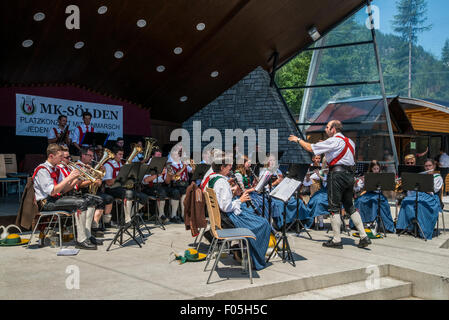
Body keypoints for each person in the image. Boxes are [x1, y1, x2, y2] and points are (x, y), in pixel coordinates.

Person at [289, 120, 372, 249]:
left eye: (327, 127)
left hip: (337, 175)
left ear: (333, 129)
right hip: (350, 175)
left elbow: (310, 148)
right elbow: (338, 153)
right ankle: (363, 236)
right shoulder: (350, 142)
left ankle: (336, 240)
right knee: (350, 206)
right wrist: (324, 146)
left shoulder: (333, 141)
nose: (325, 129)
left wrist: (298, 139)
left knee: (333, 207)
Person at [200, 151, 271, 270]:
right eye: (229, 166)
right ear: (222, 167)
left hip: (222, 216)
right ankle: (253, 259)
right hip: (227, 219)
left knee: (252, 215)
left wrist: (232, 192)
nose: (231, 168)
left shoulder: (213, 178)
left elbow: (221, 200)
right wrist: (241, 199)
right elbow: (226, 206)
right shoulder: (221, 182)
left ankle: (242, 250)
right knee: (263, 224)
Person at [33, 144, 97, 250]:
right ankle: (81, 240)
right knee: (80, 203)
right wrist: (69, 177)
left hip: (55, 199)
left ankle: (87, 235)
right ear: (51, 156)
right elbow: (53, 191)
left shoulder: (55, 169)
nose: (62, 159)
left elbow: (63, 190)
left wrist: (76, 178)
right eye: (60, 156)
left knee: (90, 200)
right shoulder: (42, 170)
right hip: (46, 203)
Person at [396, 159, 443, 240]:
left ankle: (423, 230)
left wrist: (421, 183)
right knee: (406, 201)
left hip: (430, 198)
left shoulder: (438, 177)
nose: (428, 168)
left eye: (430, 166)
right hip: (418, 195)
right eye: (426, 166)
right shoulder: (421, 176)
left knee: (421, 204)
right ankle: (408, 227)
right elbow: (411, 191)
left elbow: (432, 190)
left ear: (434, 166)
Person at [351, 160, 395, 233]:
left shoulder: (382, 176)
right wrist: (356, 183)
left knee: (375, 201)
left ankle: (376, 224)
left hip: (378, 195)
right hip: (368, 194)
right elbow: (357, 189)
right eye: (374, 169)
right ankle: (359, 224)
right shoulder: (366, 176)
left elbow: (388, 188)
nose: (376, 170)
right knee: (359, 201)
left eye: (377, 168)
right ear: (371, 169)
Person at [164, 144, 192, 223]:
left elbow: (191, 171)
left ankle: (183, 215)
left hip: (184, 184)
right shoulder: (169, 164)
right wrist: (183, 168)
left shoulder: (183, 162)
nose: (178, 155)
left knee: (186, 192)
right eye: (176, 153)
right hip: (174, 185)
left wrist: (193, 166)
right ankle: (173, 215)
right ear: (172, 154)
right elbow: (173, 177)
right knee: (176, 192)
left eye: (178, 153)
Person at [142, 148, 169, 223]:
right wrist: (159, 174)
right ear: (153, 157)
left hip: (160, 186)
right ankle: (161, 215)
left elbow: (167, 181)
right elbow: (145, 180)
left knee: (174, 192)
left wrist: (169, 174)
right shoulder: (147, 166)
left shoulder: (163, 166)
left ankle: (171, 215)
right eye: (157, 156)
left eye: (160, 156)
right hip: (149, 187)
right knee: (161, 192)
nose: (159, 158)